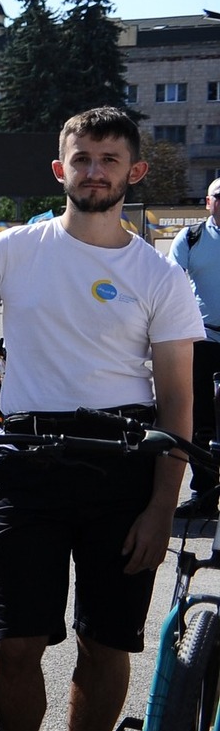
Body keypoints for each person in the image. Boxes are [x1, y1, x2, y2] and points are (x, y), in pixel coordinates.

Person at [0, 107, 199, 731]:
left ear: (134, 172)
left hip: (121, 461)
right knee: (16, 642)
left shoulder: (162, 276)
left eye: (109, 159)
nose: (94, 170)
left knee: (104, 640)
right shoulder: (13, 249)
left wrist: (162, 503)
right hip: (29, 454)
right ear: (60, 169)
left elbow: (179, 401)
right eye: (82, 157)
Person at [166, 176, 220, 519]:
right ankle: (203, 494)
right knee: (200, 422)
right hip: (205, 344)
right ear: (207, 201)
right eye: (219, 196)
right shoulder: (191, 237)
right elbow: (169, 284)